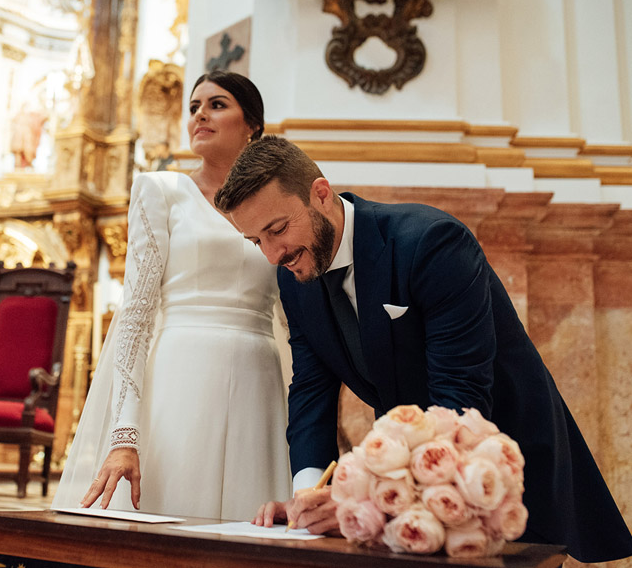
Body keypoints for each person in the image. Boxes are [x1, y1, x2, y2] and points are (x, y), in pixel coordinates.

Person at [213, 135, 632, 562]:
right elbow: (310, 393)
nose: (270, 255)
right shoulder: (294, 277)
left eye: (278, 230)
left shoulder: (431, 243)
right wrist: (310, 500)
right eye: (255, 241)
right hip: (416, 485)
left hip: (504, 471)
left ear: (320, 194)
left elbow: (461, 398)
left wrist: (366, 502)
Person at [51, 71, 291, 520]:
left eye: (217, 105)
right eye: (194, 107)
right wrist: (125, 434)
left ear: (252, 124)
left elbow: (293, 311)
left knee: (251, 520)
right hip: (181, 374)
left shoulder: (279, 201)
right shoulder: (161, 191)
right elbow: (137, 315)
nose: (200, 114)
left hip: (259, 377)